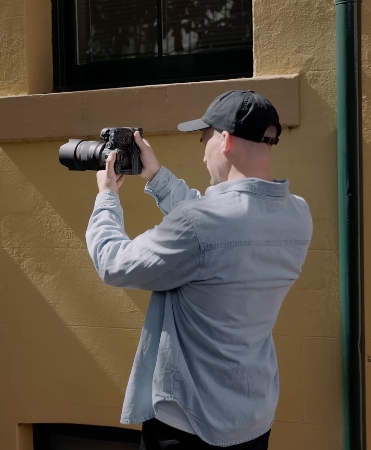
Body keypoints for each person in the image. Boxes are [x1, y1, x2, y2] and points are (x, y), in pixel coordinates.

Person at [86, 90, 312, 449]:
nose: (203, 151)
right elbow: (220, 224)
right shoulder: (298, 214)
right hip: (252, 419)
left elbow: (114, 263)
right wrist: (156, 176)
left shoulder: (202, 225)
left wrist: (106, 198)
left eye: (204, 139)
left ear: (225, 141)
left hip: (188, 424)